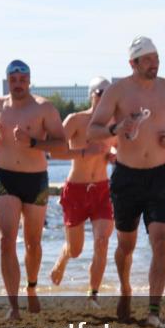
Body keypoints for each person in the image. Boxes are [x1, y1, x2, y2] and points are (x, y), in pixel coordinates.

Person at [88, 37, 165, 327]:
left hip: (160, 174)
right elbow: (94, 130)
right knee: (126, 245)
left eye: (156, 57)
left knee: (161, 240)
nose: (154, 63)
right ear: (133, 63)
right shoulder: (118, 91)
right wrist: (116, 127)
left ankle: (154, 310)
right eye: (148, 59)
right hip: (127, 176)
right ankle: (125, 288)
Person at [0, 60, 69, 321]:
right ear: (7, 81)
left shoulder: (43, 108)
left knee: (33, 243)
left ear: (29, 80)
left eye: (22, 79)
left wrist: (34, 142)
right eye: (13, 79)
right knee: (6, 241)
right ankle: (13, 305)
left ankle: (32, 286)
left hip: (35, 180)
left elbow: (62, 145)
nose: (17, 84)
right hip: (4, 178)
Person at [50, 76, 118, 309]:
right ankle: (64, 256)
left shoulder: (115, 124)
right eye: (100, 93)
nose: (104, 97)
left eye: (108, 94)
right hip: (76, 190)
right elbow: (54, 151)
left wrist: (114, 157)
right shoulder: (76, 121)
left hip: (101, 189)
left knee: (102, 241)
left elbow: (123, 150)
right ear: (91, 95)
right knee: (76, 250)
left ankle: (93, 294)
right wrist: (83, 152)